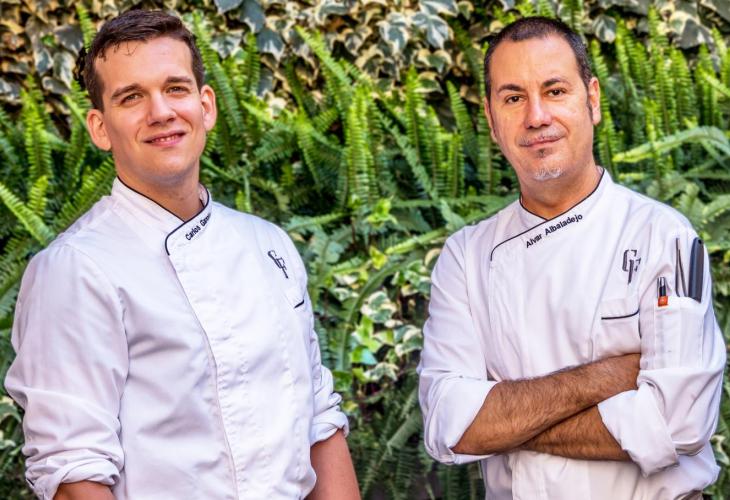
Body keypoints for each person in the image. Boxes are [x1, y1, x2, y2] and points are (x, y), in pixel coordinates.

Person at [5, 10, 360, 500]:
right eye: (131, 97)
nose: (161, 112)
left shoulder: (269, 245)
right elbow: (73, 473)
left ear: (206, 105)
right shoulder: (75, 270)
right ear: (100, 127)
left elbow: (318, 420)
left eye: (175, 88)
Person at [417, 16, 725, 499]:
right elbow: (446, 423)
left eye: (555, 90)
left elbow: (678, 422)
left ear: (592, 100)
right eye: (513, 98)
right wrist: (607, 377)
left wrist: (503, 422)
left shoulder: (661, 236)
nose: (537, 116)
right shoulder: (466, 257)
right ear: (492, 121)